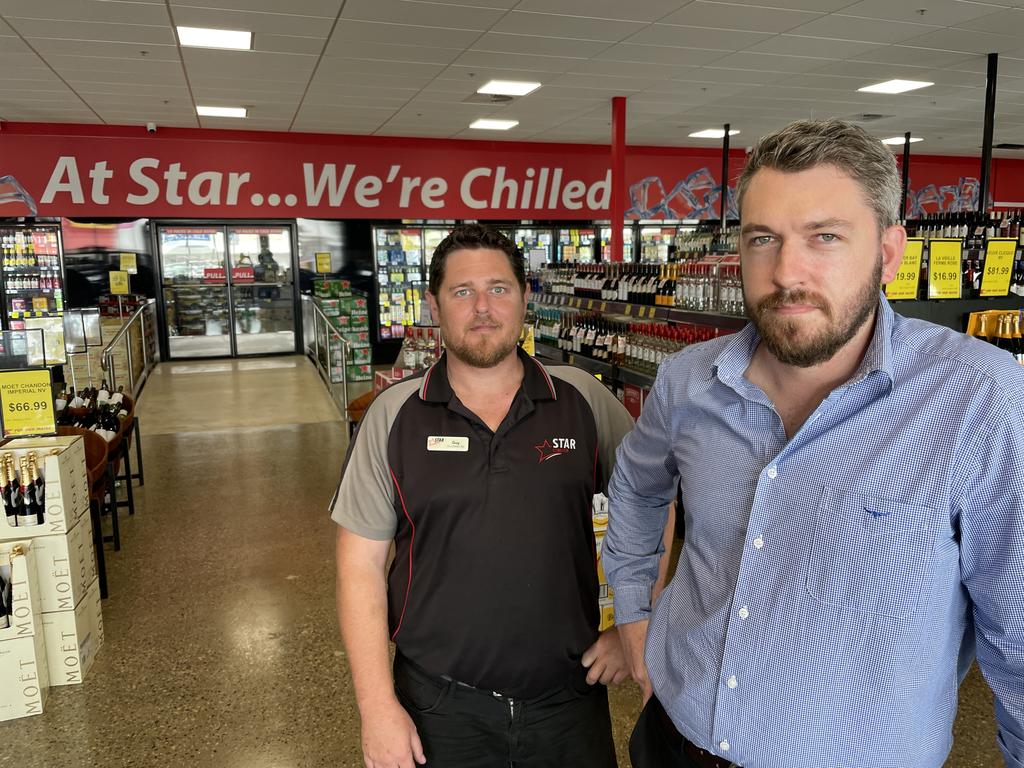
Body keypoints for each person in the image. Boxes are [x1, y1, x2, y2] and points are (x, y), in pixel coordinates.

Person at [604, 119, 1024, 768]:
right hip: (672, 740)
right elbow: (634, 486)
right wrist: (634, 611)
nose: (786, 273)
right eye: (762, 239)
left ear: (888, 254)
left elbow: (1019, 636)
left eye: (824, 237)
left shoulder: (978, 399)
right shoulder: (688, 380)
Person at [333, 224, 636, 768]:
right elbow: (360, 567)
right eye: (462, 292)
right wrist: (376, 707)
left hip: (569, 701)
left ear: (524, 298)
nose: (482, 308)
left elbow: (651, 502)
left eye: (498, 289)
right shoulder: (394, 415)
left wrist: (635, 625)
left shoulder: (582, 400)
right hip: (438, 706)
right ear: (434, 305)